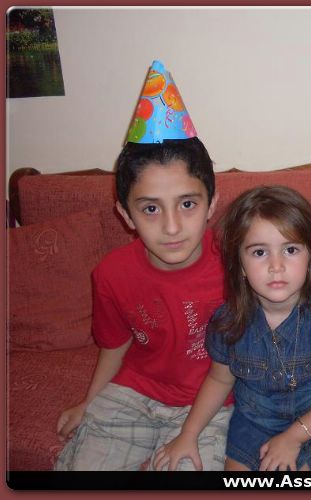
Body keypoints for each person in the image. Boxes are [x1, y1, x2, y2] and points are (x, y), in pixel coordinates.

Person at [55, 60, 233, 470]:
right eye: (151, 208)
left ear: (212, 204)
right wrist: (89, 401)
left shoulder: (237, 262)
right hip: (131, 395)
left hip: (211, 406)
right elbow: (114, 344)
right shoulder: (111, 273)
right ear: (126, 215)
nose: (171, 227)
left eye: (187, 204)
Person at [154, 185, 311, 471]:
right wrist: (189, 434)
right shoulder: (228, 322)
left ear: (310, 257)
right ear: (240, 265)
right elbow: (219, 381)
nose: (276, 265)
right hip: (252, 426)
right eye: (260, 252)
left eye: (290, 250)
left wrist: (293, 437)